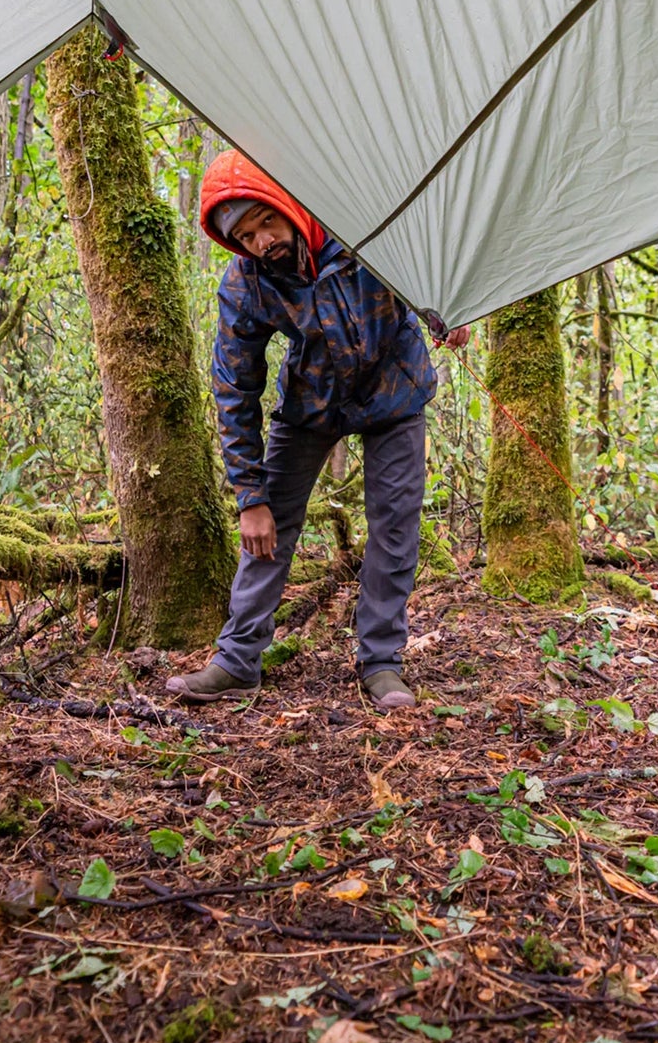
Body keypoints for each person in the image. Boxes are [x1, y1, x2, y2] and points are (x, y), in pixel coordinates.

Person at [166, 151, 467, 711]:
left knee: (395, 527)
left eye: (266, 222)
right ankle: (236, 662)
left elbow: (433, 256)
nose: (261, 241)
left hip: (395, 389)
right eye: (245, 236)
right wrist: (249, 497)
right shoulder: (246, 285)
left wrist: (453, 306)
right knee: (267, 525)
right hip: (312, 401)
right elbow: (235, 387)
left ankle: (381, 663)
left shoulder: (360, 225)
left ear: (286, 204)